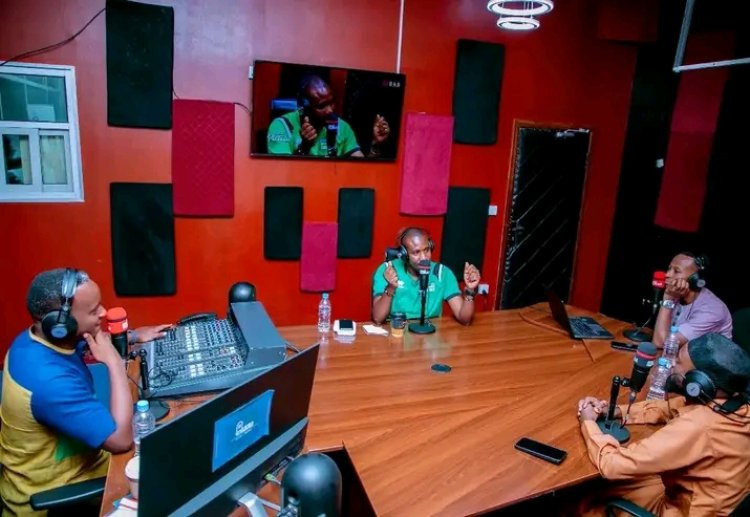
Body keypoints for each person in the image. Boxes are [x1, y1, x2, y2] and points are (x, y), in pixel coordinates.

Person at [0, 268, 171, 515]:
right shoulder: (48, 381)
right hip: (56, 495)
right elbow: (121, 441)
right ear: (60, 324)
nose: (103, 313)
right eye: (93, 311)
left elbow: (89, 340)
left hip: (86, 461)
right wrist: (115, 363)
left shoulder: (37, 340)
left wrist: (132, 336)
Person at [575, 333, 750, 516]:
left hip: (681, 510)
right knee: (614, 485)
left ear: (698, 382)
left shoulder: (698, 426)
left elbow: (613, 464)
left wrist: (588, 422)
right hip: (700, 498)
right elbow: (668, 407)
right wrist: (614, 410)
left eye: (679, 362)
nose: (671, 364)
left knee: (584, 502)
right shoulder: (736, 406)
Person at [371, 227, 481, 325]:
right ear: (404, 254)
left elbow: (465, 319)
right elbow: (378, 318)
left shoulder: (442, 273)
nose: (424, 257)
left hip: (431, 335)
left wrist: (470, 291)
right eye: (416, 252)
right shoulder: (388, 270)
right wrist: (390, 288)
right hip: (397, 332)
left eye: (426, 250)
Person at [266, 74, 390, 157]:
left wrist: (375, 145)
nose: (330, 110)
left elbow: (361, 171)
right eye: (322, 106)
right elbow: (282, 174)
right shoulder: (281, 126)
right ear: (303, 107)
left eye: (331, 103)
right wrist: (304, 147)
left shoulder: (342, 127)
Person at [652, 252, 732, 347]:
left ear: (694, 279)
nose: (667, 274)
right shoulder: (676, 294)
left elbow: (661, 343)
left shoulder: (713, 310)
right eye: (669, 269)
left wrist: (667, 298)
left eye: (676, 271)